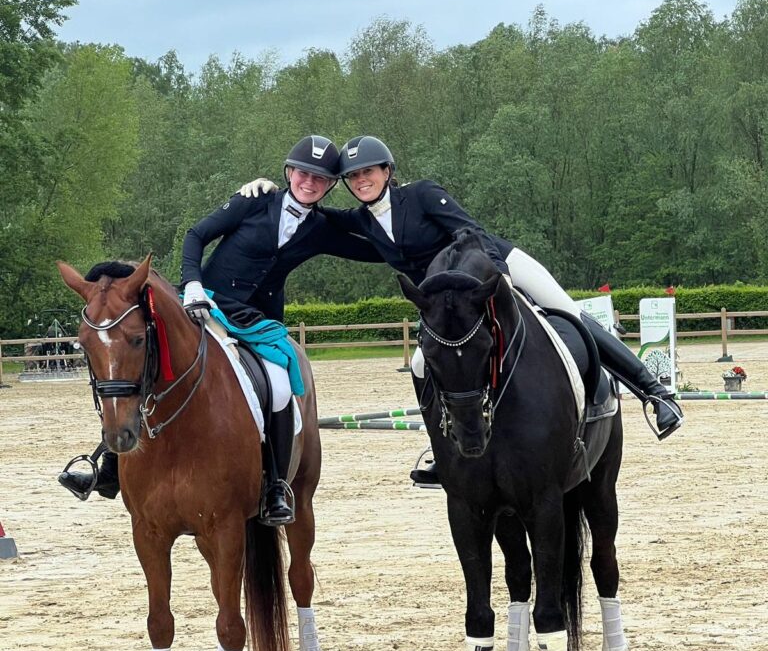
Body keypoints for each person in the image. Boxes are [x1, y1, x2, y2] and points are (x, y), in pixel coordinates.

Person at [240, 135, 683, 486]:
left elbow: (470, 232)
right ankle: (444, 450)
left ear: (387, 171)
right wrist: (268, 193)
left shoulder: (422, 194)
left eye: (368, 172)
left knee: (567, 312)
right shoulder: (362, 220)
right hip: (448, 302)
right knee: (421, 363)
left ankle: (655, 394)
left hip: (496, 266)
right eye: (353, 176)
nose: (361, 181)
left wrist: (497, 278)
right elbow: (311, 210)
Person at [58, 135, 383, 523]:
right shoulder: (254, 200)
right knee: (140, 361)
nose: (309, 182)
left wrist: (389, 212)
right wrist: (192, 283)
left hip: (255, 320)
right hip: (205, 302)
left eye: (319, 178)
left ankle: (276, 485)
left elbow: (375, 249)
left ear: (330, 185)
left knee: (280, 384)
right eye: (302, 173)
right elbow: (196, 235)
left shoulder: (320, 227)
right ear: (289, 172)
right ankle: (110, 465)